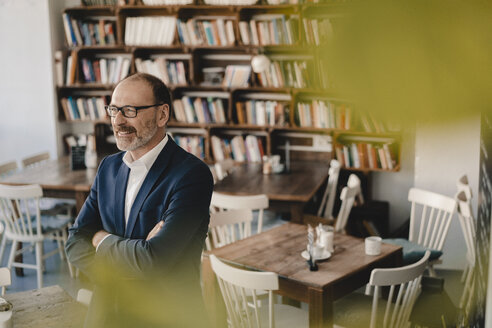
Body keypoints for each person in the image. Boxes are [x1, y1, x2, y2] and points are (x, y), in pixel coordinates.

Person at [65, 73, 213, 328]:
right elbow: (75, 243)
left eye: (130, 110)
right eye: (113, 110)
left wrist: (102, 240)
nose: (118, 121)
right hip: (106, 316)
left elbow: (155, 260)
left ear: (162, 115)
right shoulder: (108, 167)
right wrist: (136, 255)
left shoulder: (192, 175)